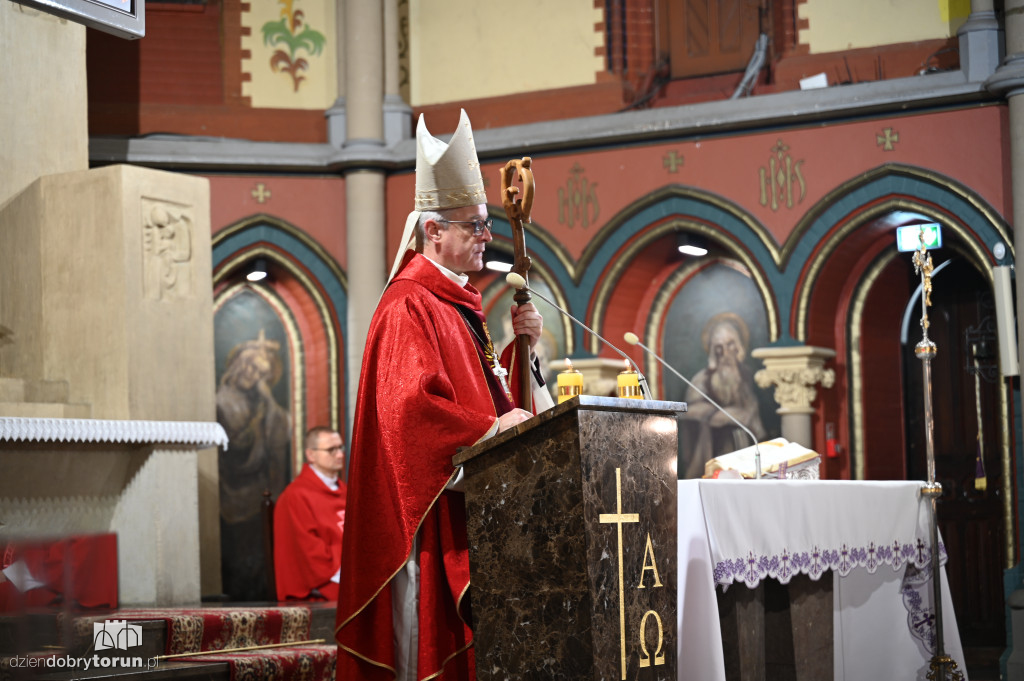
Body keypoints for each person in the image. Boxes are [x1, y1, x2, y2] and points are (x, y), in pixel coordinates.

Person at [335, 109, 553, 681]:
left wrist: (522, 352)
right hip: (426, 518)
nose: (487, 236)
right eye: (474, 225)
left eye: (486, 223)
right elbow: (409, 411)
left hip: (466, 506)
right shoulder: (408, 304)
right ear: (434, 232)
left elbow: (489, 397)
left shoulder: (455, 302)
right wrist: (491, 432)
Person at [680, 312, 766, 478]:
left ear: (739, 346)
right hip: (713, 449)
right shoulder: (701, 379)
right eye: (718, 347)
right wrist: (721, 414)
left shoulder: (751, 377)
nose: (725, 353)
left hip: (747, 452)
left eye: (730, 345)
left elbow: (756, 417)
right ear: (712, 350)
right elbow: (688, 411)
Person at [273, 426, 347, 601]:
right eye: (331, 449)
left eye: (340, 448)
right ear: (311, 455)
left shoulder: (346, 491)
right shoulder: (296, 496)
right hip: (321, 583)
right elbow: (308, 551)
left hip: (348, 573)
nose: (339, 455)